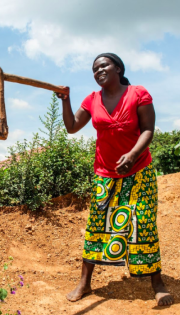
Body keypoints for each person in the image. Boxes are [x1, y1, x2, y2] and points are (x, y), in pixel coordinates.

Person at [56, 53, 173, 306]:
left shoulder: (138, 93)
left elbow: (148, 129)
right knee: (97, 226)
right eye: (94, 69)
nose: (98, 71)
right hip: (105, 174)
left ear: (118, 68)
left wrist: (132, 155)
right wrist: (65, 100)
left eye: (104, 65)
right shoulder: (92, 99)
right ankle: (84, 284)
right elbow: (72, 126)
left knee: (142, 223)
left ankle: (158, 283)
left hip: (139, 170)